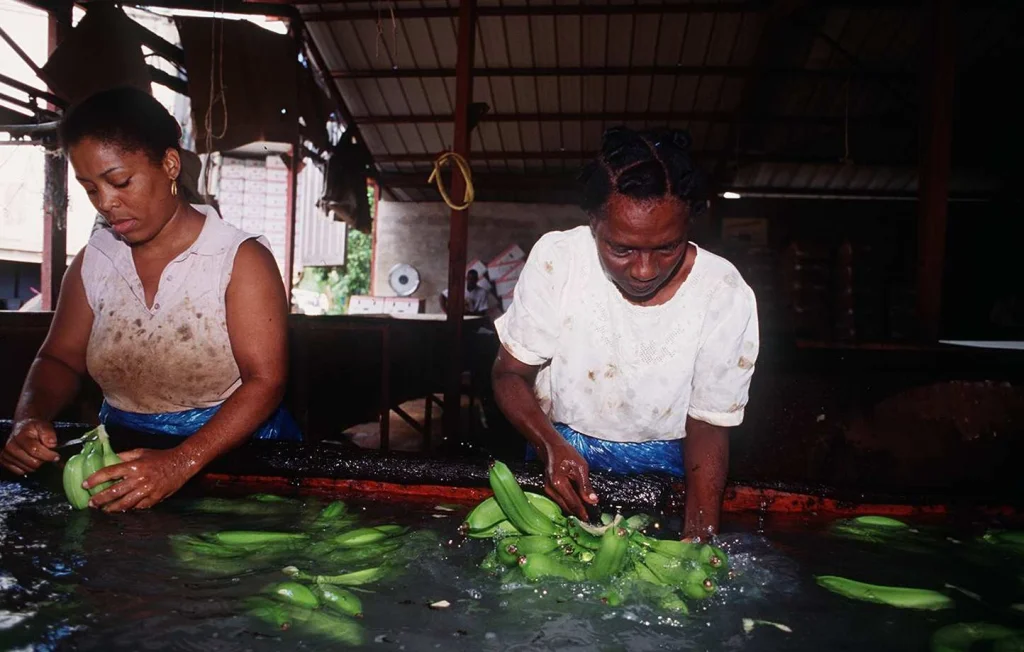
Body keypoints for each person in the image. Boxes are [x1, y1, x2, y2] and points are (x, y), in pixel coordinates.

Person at [0, 87, 300, 511]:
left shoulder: (239, 259)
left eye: (120, 181)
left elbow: (265, 381)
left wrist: (180, 463)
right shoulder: (97, 260)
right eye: (90, 189)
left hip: (238, 464)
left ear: (170, 164)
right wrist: (29, 417)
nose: (107, 203)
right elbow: (59, 360)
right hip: (123, 456)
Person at [492, 127, 759, 540]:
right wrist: (550, 446)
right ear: (594, 223)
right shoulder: (559, 261)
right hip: (556, 454)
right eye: (622, 249)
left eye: (666, 248)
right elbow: (509, 374)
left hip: (669, 473)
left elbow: (710, 425)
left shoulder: (723, 293)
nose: (644, 270)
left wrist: (698, 538)